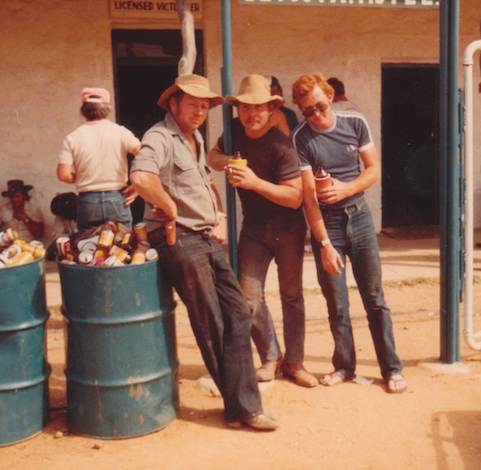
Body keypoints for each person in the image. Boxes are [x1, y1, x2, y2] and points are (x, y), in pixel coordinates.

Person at [129, 74, 278, 431]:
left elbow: (206, 180)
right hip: (177, 236)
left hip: (206, 236)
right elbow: (141, 178)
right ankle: (243, 407)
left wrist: (220, 215)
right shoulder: (159, 136)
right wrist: (169, 207)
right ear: (174, 104)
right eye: (192, 103)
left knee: (239, 312)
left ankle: (241, 404)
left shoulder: (194, 137)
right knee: (212, 320)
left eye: (204, 105)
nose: (200, 110)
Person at [290, 73, 407, 394]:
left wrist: (346, 189)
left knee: (375, 298)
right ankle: (344, 365)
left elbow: (373, 170)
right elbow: (309, 199)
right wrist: (323, 243)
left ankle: (392, 368)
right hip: (328, 225)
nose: (316, 115)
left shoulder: (355, 122)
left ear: (330, 97)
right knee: (337, 303)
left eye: (321, 106)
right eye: (308, 111)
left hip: (360, 218)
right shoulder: (300, 138)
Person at [208, 75, 317, 388]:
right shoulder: (233, 131)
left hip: (288, 228)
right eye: (244, 107)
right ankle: (271, 357)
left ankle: (295, 363)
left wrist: (253, 181)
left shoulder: (281, 145)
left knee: (291, 295)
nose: (250, 114)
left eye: (257, 107)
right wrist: (228, 161)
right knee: (249, 297)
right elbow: (212, 157)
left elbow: (295, 196)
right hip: (254, 227)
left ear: (271, 109)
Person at [57, 87, 141, 233]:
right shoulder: (120, 132)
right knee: (122, 246)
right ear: (107, 109)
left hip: (87, 200)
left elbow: (63, 174)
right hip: (117, 198)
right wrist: (137, 184)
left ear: (83, 110)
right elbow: (144, 154)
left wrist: (84, 176)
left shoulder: (73, 138)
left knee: (89, 248)